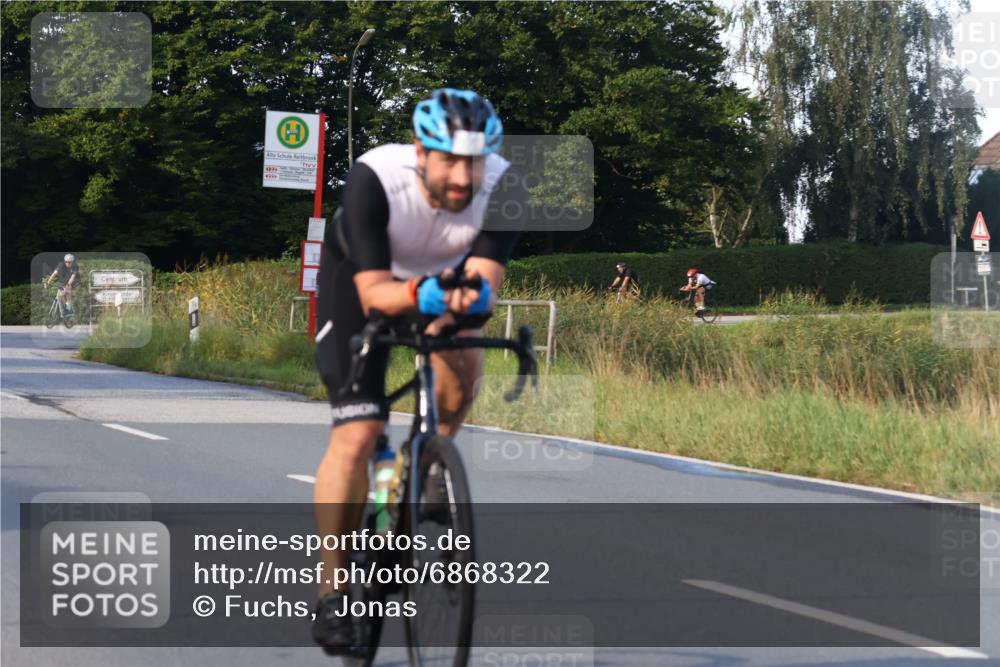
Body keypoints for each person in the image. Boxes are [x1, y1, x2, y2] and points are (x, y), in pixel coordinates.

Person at [311, 88, 524, 653]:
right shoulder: (375, 178)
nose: (463, 176)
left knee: (465, 359)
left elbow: (482, 289)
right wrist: (422, 297)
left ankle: (426, 462)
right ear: (420, 151)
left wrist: (456, 309)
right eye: (450, 160)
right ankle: (334, 590)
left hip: (441, 286)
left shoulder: (505, 187)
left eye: (475, 161)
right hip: (361, 285)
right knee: (358, 433)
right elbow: (375, 294)